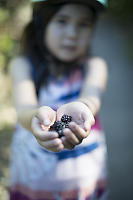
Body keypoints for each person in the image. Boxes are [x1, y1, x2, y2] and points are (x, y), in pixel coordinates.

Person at [9, 0, 108, 199]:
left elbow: (92, 97)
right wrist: (36, 119)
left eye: (83, 24)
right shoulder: (22, 65)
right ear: (42, 23)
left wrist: (83, 106)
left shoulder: (95, 66)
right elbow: (23, 108)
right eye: (62, 21)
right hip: (33, 177)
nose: (72, 34)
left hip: (83, 176)